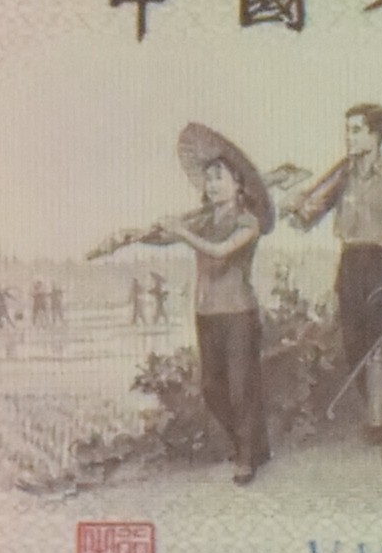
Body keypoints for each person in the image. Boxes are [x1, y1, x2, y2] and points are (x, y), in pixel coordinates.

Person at [110, 159, 270, 484]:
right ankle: (252, 445)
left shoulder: (248, 222)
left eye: (219, 178)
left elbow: (219, 251)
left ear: (238, 184)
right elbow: (165, 238)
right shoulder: (203, 219)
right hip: (206, 312)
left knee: (241, 388)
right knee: (211, 388)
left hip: (239, 313)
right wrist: (136, 236)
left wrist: (182, 231)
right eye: (208, 180)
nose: (212, 186)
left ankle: (246, 456)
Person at [290, 104, 382, 458]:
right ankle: (378, 413)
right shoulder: (342, 178)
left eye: (356, 130)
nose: (349, 137)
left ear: (376, 134)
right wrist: (297, 204)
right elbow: (304, 220)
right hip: (350, 264)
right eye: (347, 130)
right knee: (354, 344)